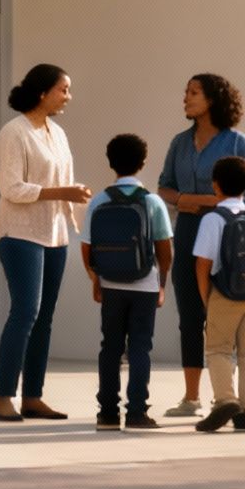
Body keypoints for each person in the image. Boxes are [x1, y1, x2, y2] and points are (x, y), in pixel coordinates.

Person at [0, 63, 92, 423]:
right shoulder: (13, 133)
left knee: (44, 318)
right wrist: (62, 191)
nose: (68, 96)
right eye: (63, 89)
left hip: (55, 234)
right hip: (19, 233)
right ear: (42, 92)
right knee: (25, 313)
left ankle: (33, 397)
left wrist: (73, 213)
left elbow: (62, 181)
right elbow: (12, 189)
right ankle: (4, 397)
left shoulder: (57, 132)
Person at [155, 74, 245, 419]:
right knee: (190, 315)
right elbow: (164, 188)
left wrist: (199, 201)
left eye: (193, 92)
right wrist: (185, 199)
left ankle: (228, 398)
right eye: (185, 91)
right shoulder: (179, 142)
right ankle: (191, 397)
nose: (185, 98)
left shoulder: (238, 143)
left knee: (227, 317)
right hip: (187, 234)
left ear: (213, 99)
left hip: (228, 237)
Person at [79, 133, 174, 432]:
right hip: (144, 284)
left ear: (110, 163)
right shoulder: (153, 202)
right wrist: (161, 284)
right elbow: (164, 249)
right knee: (140, 348)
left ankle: (107, 412)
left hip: (111, 285)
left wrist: (95, 278)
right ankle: (136, 412)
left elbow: (87, 246)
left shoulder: (99, 200)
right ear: (143, 162)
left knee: (110, 347)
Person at [193, 156, 245, 434]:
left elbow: (203, 264)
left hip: (225, 294)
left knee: (218, 349)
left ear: (216, 185)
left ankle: (225, 400)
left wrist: (207, 297)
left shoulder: (214, 219)